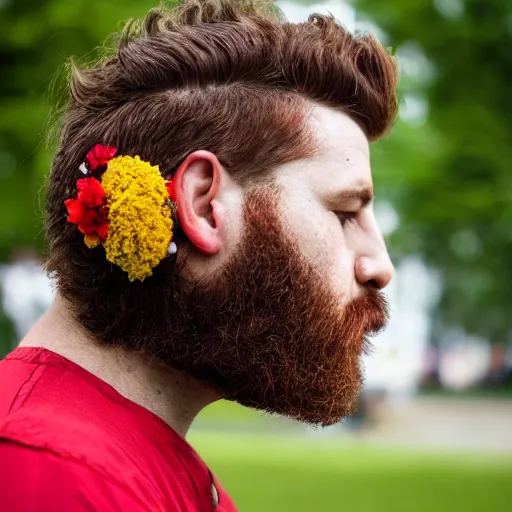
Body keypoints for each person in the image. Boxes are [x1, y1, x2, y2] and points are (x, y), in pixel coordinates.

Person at [0, 0, 398, 510]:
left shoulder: (121, 463)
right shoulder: (55, 476)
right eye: (345, 212)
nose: (379, 265)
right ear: (203, 205)